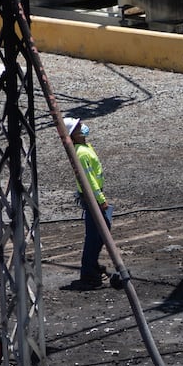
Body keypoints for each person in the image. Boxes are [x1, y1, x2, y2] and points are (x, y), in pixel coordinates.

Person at [65, 116, 111, 288]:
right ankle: (89, 271)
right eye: (78, 126)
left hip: (92, 197)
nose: (82, 127)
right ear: (73, 134)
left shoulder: (84, 148)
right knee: (96, 235)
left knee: (99, 232)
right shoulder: (82, 152)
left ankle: (92, 266)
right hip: (92, 198)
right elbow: (89, 179)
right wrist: (100, 199)